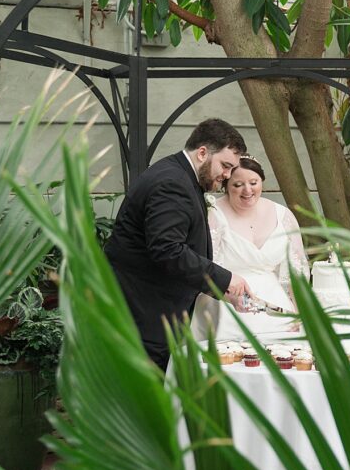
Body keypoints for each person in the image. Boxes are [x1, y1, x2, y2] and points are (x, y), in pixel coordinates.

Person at [104, 118, 253, 369]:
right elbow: (167, 250)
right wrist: (225, 279)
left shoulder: (180, 175)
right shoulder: (172, 183)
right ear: (203, 152)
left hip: (150, 313)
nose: (227, 176)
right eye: (225, 166)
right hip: (143, 316)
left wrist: (221, 291)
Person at [193, 156, 309, 342]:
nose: (247, 190)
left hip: (275, 304)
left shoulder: (283, 215)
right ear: (226, 186)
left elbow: (297, 271)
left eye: (253, 182)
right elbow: (204, 265)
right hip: (226, 301)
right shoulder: (213, 214)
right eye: (238, 185)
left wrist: (299, 312)